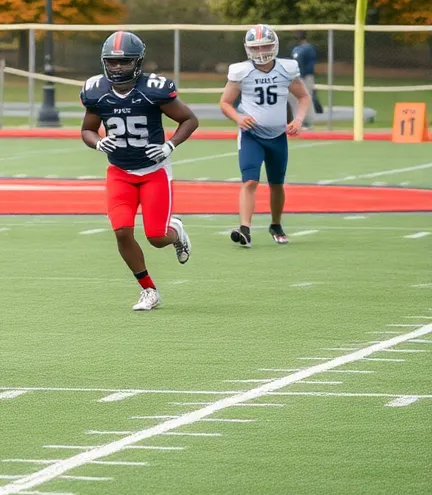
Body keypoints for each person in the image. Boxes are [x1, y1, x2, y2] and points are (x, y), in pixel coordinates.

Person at [80, 31, 197, 312]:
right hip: (119, 171)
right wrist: (98, 143)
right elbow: (87, 129)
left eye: (125, 62)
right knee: (122, 231)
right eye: (112, 62)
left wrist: (170, 145)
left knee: (157, 237)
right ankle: (148, 290)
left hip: (154, 170)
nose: (117, 67)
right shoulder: (97, 92)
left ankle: (176, 230)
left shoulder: (154, 89)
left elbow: (189, 119)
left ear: (138, 61)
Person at [218, 24, 312, 248]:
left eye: (265, 46)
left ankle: (276, 224)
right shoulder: (241, 71)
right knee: (250, 181)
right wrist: (239, 119)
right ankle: (245, 229)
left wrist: (298, 120)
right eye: (256, 47)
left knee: (276, 184)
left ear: (275, 45)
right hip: (251, 135)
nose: (261, 52)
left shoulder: (286, 69)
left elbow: (304, 97)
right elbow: (225, 103)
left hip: (278, 135)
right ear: (248, 48)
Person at [289, 31, 323, 126]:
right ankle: (298, 120)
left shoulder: (309, 48)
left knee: (307, 97)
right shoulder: (295, 49)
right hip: (297, 76)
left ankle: (309, 121)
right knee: (295, 98)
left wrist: (305, 74)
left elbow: (311, 64)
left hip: (306, 76)